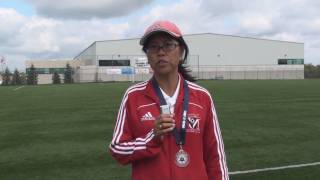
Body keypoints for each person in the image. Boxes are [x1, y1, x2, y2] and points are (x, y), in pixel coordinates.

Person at [109, 20, 229, 180]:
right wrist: (151, 138)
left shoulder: (202, 97)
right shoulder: (133, 96)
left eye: (168, 45)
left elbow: (215, 156)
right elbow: (117, 149)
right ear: (147, 55)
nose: (161, 52)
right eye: (153, 47)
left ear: (181, 52)